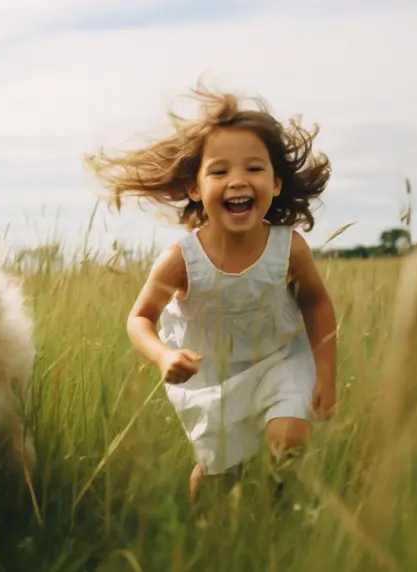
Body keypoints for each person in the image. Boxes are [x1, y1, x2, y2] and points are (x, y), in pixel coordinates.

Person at [84, 82, 339, 502]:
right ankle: (209, 524)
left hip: (281, 359)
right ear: (195, 188)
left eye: (253, 169)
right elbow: (140, 318)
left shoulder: (288, 248)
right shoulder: (181, 260)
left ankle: (275, 506)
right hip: (215, 377)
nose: (237, 181)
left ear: (276, 183)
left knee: (288, 436)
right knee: (219, 477)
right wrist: (163, 355)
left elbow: (316, 302)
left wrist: (326, 373)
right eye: (220, 171)